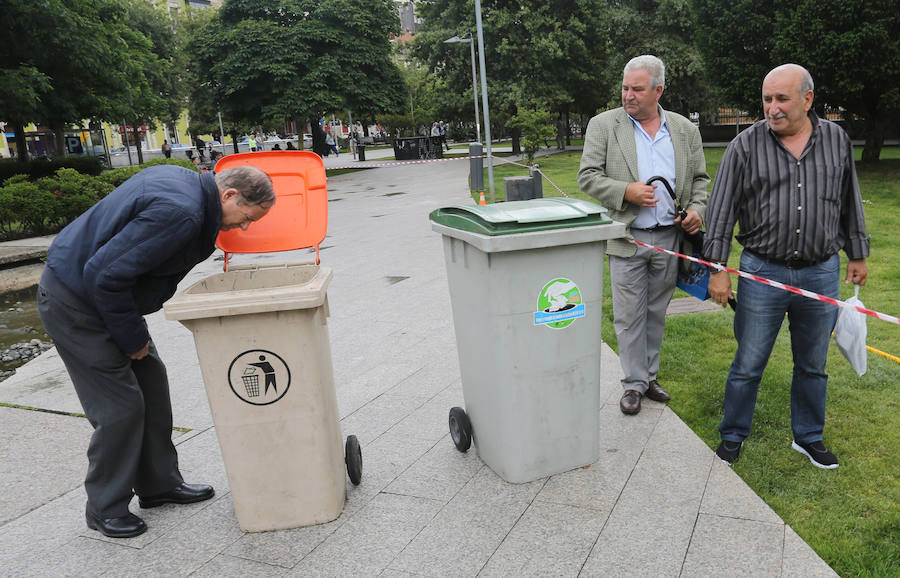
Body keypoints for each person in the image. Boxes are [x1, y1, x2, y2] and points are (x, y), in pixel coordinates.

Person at [37, 164, 275, 538]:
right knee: (119, 407)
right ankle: (105, 508)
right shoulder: (181, 212)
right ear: (228, 195)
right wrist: (133, 341)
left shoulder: (187, 187)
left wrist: (133, 336)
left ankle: (158, 485)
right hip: (76, 302)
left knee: (152, 383)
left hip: (106, 298)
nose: (243, 228)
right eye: (246, 218)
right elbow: (104, 274)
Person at [703, 64, 869, 469]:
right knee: (749, 361)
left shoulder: (836, 140)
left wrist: (857, 253)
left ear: (808, 99)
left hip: (821, 272)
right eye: (767, 99)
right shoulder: (744, 145)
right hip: (763, 272)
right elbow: (721, 210)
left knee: (813, 364)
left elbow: (849, 198)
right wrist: (717, 267)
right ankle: (732, 436)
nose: (772, 108)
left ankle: (809, 437)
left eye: (782, 99)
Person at [577, 54, 709, 415]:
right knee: (628, 314)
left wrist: (698, 209)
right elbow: (587, 176)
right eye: (624, 88)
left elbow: (700, 180)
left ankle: (649, 377)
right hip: (628, 238)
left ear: (658, 90)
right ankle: (633, 383)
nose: (628, 95)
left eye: (637, 89)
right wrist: (625, 191)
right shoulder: (603, 126)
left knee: (655, 312)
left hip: (670, 239)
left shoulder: (684, 129)